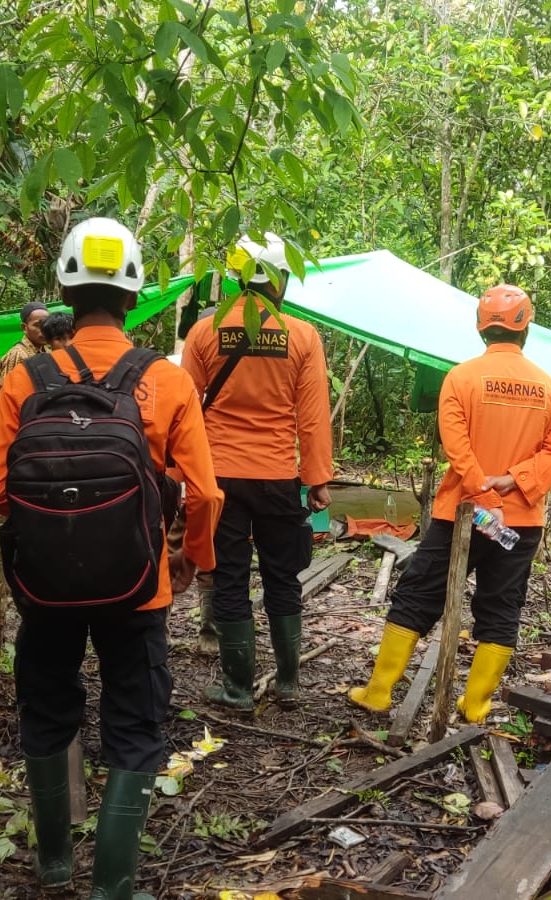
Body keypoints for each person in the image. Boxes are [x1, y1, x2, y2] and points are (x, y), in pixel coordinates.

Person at [0, 217, 222, 895]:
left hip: (44, 585)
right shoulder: (166, 380)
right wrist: (190, 556)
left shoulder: (26, 378)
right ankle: (113, 885)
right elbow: (205, 493)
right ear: (133, 295)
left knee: (47, 708)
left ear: (63, 290)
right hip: (139, 584)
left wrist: (59, 526)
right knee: (136, 720)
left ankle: (54, 864)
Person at [348, 284, 551, 724]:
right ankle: (476, 706)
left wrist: (484, 497)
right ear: (526, 327)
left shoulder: (461, 378)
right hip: (518, 520)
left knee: (419, 593)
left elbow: (458, 448)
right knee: (501, 605)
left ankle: (378, 692)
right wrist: (516, 481)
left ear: (480, 328)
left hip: (464, 513)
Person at [181, 232, 333, 709]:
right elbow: (312, 417)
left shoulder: (204, 332)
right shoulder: (301, 335)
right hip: (277, 476)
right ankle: (287, 685)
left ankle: (238, 689)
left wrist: (182, 476)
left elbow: (185, 409)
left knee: (229, 578)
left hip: (219, 476)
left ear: (237, 277)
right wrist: (317, 479)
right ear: (280, 279)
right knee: (282, 576)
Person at [0, 301, 50, 377]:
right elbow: (9, 384)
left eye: (47, 324)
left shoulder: (47, 351)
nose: (44, 330)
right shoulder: (17, 354)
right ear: (24, 327)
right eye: (38, 325)